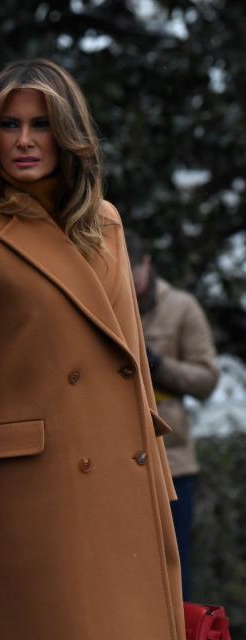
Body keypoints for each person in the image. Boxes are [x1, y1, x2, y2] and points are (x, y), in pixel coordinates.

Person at [0, 59, 185, 639]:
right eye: (8, 125)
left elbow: (132, 366)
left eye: (42, 124)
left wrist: (158, 481)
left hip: (126, 478)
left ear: (69, 133)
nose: (24, 141)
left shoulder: (106, 223)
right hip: (39, 491)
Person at [126, 230, 219, 599]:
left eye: (132, 275)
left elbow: (207, 378)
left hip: (175, 462)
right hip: (120, 463)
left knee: (174, 577)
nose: (127, 286)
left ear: (146, 265)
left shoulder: (182, 308)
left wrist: (160, 365)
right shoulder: (104, 305)